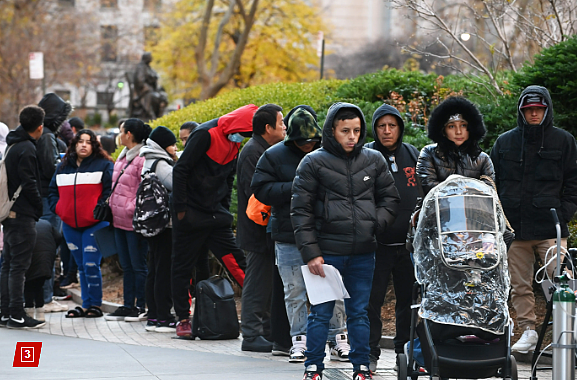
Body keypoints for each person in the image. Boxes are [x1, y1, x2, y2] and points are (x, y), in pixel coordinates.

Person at [291, 102, 400, 380]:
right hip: (326, 254)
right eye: (345, 131)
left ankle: (361, 368)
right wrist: (311, 252)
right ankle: (313, 367)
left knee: (359, 314)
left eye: (356, 130)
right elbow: (300, 210)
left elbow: (390, 198)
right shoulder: (313, 162)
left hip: (364, 252)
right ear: (332, 131)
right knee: (320, 314)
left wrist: (375, 224)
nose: (352, 136)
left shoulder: (374, 160)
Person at [252, 106, 350, 363]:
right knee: (293, 290)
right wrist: (296, 186)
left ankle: (338, 337)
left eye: (312, 141)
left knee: (332, 287)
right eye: (302, 141)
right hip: (287, 233)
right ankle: (299, 340)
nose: (307, 145)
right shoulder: (273, 156)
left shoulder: (326, 154)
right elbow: (260, 188)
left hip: (325, 232)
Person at [490, 86, 577, 354]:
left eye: (538, 109)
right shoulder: (504, 142)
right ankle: (528, 331)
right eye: (529, 110)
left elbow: (573, 183)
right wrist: (500, 221)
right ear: (522, 112)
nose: (534, 113)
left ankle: (568, 333)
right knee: (519, 285)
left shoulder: (564, 141)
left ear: (547, 109)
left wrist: (562, 215)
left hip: (551, 229)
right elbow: (492, 184)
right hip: (515, 231)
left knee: (562, 282)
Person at [171, 105, 256, 337]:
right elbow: (181, 170)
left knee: (237, 262)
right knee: (183, 266)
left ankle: (259, 310)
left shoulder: (235, 140)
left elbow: (229, 178)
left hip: (215, 215)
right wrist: (180, 210)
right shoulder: (205, 134)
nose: (245, 139)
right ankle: (182, 318)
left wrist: (223, 207)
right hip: (190, 214)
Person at [365, 104, 420, 372]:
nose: (387, 131)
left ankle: (405, 353)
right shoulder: (365, 154)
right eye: (381, 126)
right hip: (376, 245)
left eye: (392, 125)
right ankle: (370, 354)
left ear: (400, 127)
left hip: (408, 245)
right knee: (371, 301)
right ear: (375, 129)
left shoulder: (412, 153)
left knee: (409, 302)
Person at [48, 129, 113, 318]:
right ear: (74, 144)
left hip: (95, 223)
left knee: (91, 264)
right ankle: (85, 305)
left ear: (94, 146)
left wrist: (101, 208)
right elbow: (52, 192)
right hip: (70, 224)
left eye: (88, 142)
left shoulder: (104, 164)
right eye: (80, 141)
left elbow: (110, 190)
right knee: (81, 266)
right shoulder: (62, 166)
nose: (84, 145)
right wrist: (59, 209)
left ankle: (96, 305)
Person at [237, 104, 286, 352]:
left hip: (264, 229)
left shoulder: (263, 149)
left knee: (265, 284)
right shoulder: (253, 152)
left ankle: (264, 331)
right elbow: (254, 192)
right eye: (281, 122)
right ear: (268, 128)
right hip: (256, 230)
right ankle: (251, 334)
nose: (285, 127)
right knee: (256, 283)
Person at [0, 105, 46, 329]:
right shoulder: (27, 148)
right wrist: (39, 206)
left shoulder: (12, 145)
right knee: (18, 266)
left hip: (9, 213)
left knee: (8, 265)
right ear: (39, 127)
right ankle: (17, 314)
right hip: (23, 214)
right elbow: (30, 183)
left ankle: (6, 312)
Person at [104, 119, 151, 322]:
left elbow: (145, 189)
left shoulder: (142, 158)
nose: (119, 135)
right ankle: (127, 305)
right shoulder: (122, 157)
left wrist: (131, 208)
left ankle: (141, 305)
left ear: (129, 134)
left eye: (121, 131)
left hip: (133, 221)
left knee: (138, 264)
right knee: (127, 265)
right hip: (118, 220)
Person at [139, 126, 178, 333]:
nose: (175, 147)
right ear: (164, 145)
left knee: (154, 268)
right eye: (173, 143)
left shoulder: (147, 160)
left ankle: (153, 314)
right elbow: (176, 183)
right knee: (163, 270)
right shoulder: (161, 164)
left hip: (151, 223)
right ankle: (163, 316)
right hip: (164, 224)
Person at [416, 96, 495, 196]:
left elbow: (489, 192)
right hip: (435, 210)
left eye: (463, 125)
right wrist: (466, 190)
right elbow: (428, 187)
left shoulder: (483, 159)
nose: (458, 132)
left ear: (471, 128)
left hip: (474, 210)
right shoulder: (430, 153)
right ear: (443, 130)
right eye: (451, 126)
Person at [37, 93, 72, 311]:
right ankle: (46, 297)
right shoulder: (48, 137)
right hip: (48, 199)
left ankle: (43, 296)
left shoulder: (38, 135)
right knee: (48, 248)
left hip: (39, 199)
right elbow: (50, 169)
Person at [23, 219, 62, 323]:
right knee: (39, 285)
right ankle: (40, 313)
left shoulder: (22, 224)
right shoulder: (46, 223)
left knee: (28, 286)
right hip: (46, 258)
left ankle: (29, 312)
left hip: (28, 257)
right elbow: (59, 237)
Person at [132, 52, 168, 121]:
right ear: (146, 58)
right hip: (143, 91)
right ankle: (151, 115)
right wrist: (148, 88)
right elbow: (140, 81)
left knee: (163, 96)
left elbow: (154, 76)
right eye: (150, 57)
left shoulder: (148, 67)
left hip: (152, 90)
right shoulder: (141, 67)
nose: (151, 58)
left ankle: (159, 117)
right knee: (152, 96)